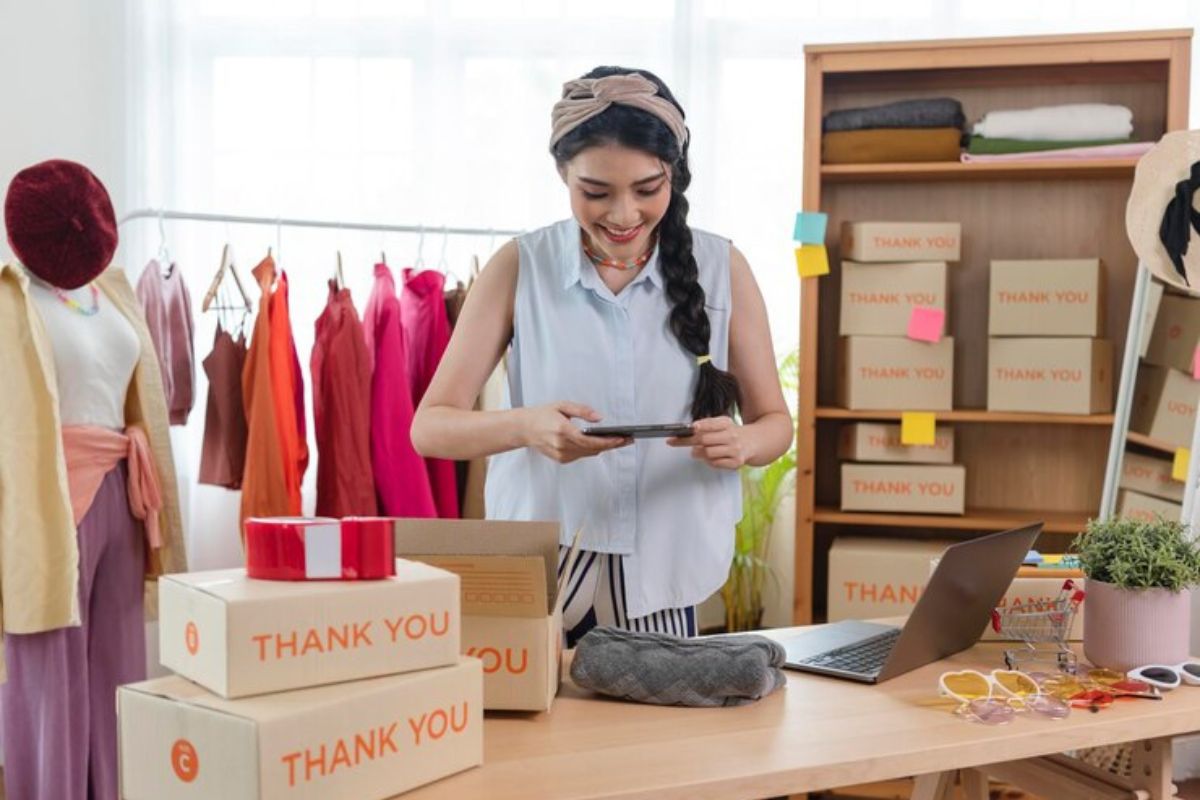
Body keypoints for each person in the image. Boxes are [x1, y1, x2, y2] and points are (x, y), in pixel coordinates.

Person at [411, 67, 792, 645]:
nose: (622, 215)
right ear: (562, 172)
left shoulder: (722, 268)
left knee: (654, 732)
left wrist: (743, 444)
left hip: (666, 565)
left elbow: (776, 426)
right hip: (544, 563)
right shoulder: (519, 266)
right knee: (537, 729)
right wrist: (527, 427)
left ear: (675, 175)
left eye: (648, 189)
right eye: (595, 192)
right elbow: (429, 429)